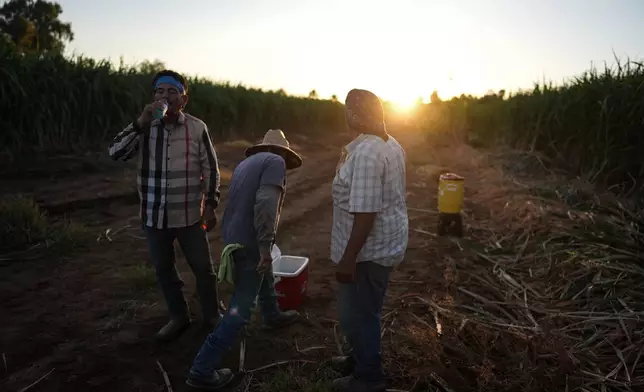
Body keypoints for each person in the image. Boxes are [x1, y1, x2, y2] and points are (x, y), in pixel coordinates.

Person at [108, 70, 222, 342]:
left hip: (189, 216)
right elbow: (115, 153)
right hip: (154, 217)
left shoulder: (197, 128)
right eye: (160, 92)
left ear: (183, 99)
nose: (165, 97)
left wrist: (211, 204)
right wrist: (139, 124)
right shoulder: (144, 128)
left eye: (172, 92)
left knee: (203, 269)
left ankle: (213, 315)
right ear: (153, 97)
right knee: (164, 270)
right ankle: (179, 317)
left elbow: (212, 168)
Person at [186, 129, 303, 390]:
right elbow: (265, 203)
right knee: (241, 309)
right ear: (282, 152)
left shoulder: (245, 164)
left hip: (233, 239)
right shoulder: (275, 162)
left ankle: (273, 315)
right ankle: (202, 368)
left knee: (264, 271)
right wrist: (264, 245)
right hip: (249, 242)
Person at [330, 89, 409, 392]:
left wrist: (349, 258)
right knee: (357, 311)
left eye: (349, 108)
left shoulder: (366, 153)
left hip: (367, 251)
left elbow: (366, 212)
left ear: (353, 115)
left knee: (362, 314)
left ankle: (369, 378)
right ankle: (357, 358)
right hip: (381, 243)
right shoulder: (390, 144)